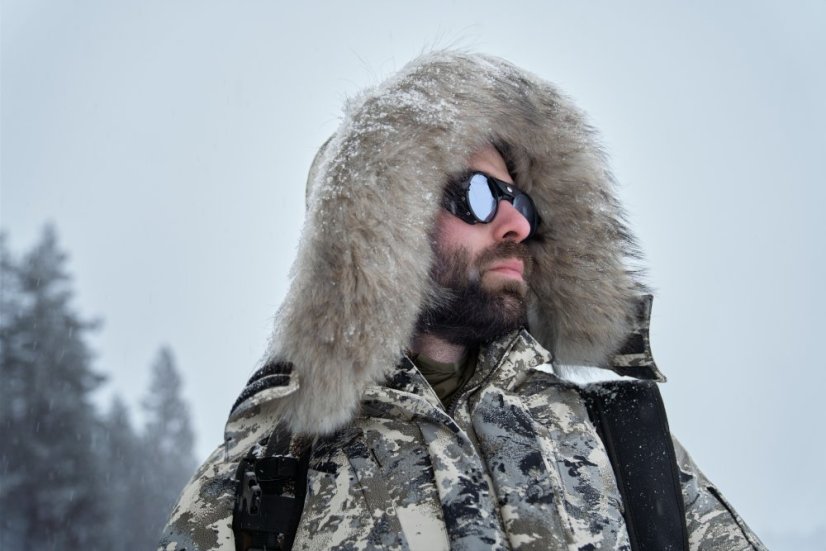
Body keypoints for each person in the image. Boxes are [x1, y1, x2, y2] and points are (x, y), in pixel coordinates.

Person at [158, 51, 766, 550]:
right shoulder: (266, 476)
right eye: (477, 195)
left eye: (521, 202)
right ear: (379, 222)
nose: (516, 224)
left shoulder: (618, 434)